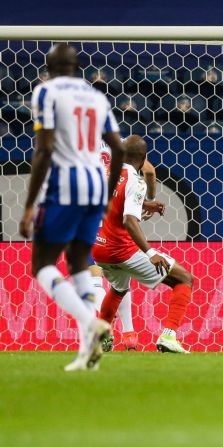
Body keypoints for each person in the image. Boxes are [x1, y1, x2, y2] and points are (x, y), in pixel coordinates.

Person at [19, 43, 123, 371]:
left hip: (66, 183)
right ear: (76, 67)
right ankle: (87, 353)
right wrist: (107, 195)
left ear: (49, 68)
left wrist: (29, 205)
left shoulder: (46, 92)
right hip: (96, 183)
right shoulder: (95, 96)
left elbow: (44, 149)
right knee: (79, 263)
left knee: (42, 264)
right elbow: (119, 149)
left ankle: (90, 322)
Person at [92, 135, 194, 354]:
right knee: (184, 278)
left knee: (118, 288)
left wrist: (145, 204)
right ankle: (169, 336)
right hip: (121, 249)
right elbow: (129, 220)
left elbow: (112, 200)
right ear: (144, 157)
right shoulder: (135, 181)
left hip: (99, 247)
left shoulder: (107, 173)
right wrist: (149, 253)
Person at [89, 139, 163, 351]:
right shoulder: (121, 144)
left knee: (92, 278)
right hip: (116, 220)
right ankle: (129, 334)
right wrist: (148, 199)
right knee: (120, 281)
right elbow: (149, 172)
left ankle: (105, 323)